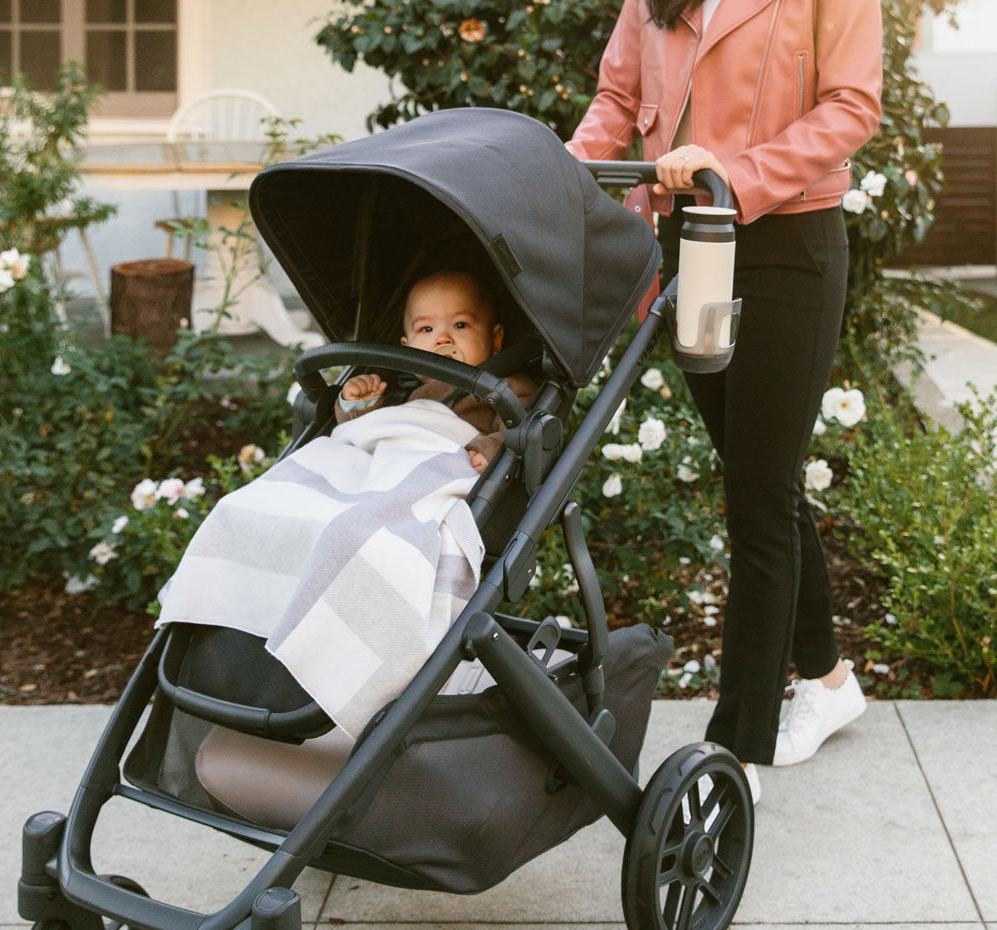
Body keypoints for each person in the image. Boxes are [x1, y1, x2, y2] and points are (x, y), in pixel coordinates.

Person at [566, 0, 882, 785]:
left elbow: (852, 105)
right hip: (692, 240)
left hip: (786, 240)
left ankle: (735, 751)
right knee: (759, 478)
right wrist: (561, 177)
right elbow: (616, 98)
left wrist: (732, 173)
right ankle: (832, 681)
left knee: (758, 495)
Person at [334, 269, 535, 473]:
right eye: (427, 329)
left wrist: (491, 450)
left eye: (460, 325)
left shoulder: (503, 387)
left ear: (495, 339)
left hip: (450, 466)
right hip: (392, 464)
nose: (442, 338)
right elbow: (369, 437)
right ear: (406, 349)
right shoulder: (400, 390)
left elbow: (521, 430)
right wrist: (362, 404)